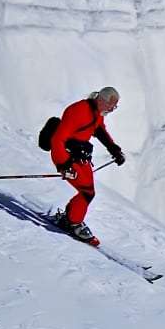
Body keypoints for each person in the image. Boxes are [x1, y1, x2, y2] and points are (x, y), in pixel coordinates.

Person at [50, 86, 125, 243]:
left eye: (115, 107)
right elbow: (57, 140)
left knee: (88, 192)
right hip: (66, 156)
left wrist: (114, 149)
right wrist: (64, 166)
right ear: (101, 100)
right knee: (87, 192)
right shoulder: (79, 111)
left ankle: (70, 218)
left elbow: (99, 130)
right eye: (111, 106)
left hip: (79, 157)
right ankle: (73, 222)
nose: (112, 110)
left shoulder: (96, 112)